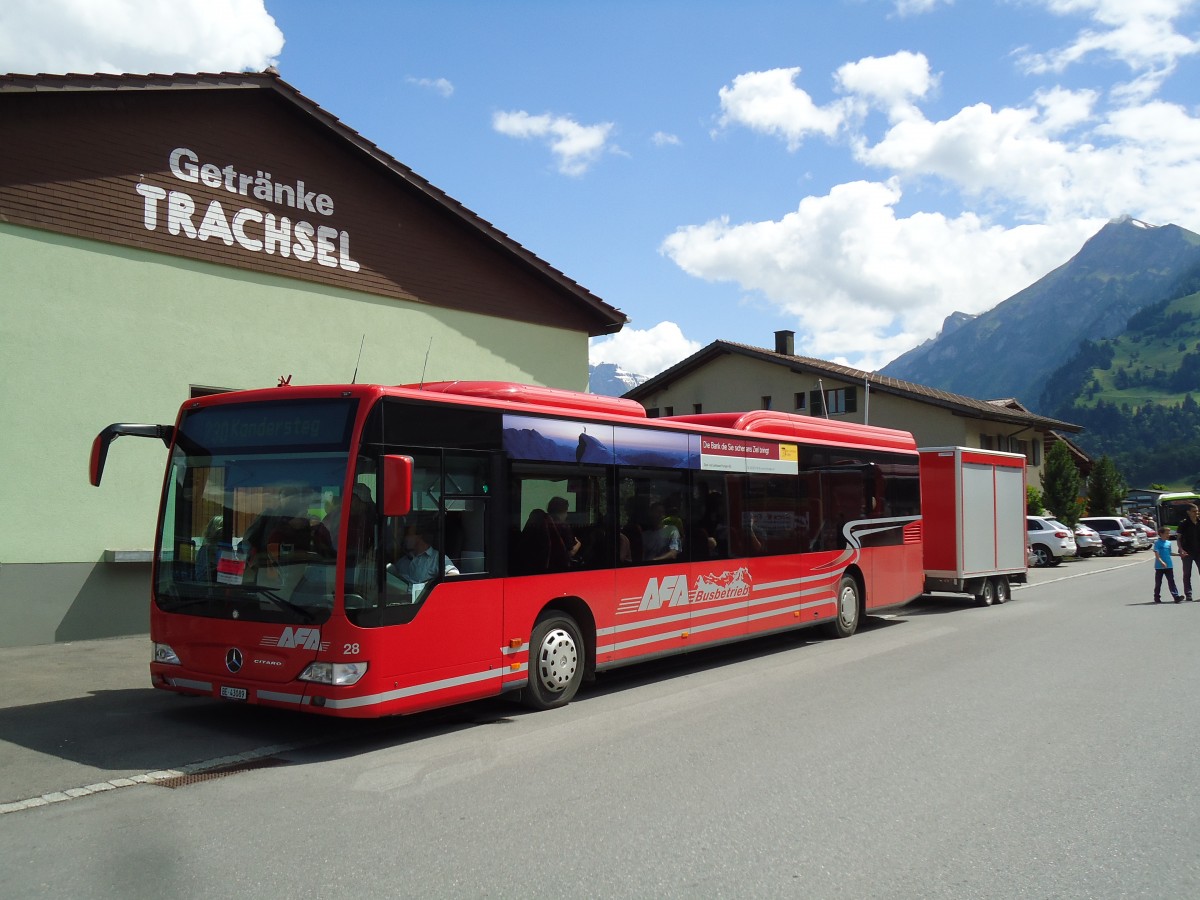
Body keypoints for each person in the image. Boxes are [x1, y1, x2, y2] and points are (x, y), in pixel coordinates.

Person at [387, 522, 459, 585]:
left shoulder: (436, 558)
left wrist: (429, 585)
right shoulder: (404, 560)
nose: (405, 539)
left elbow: (454, 574)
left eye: (408, 535)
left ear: (419, 537)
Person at [546, 496, 581, 568]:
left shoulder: (545, 523)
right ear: (561, 511)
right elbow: (569, 553)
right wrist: (578, 544)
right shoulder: (563, 527)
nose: (566, 515)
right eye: (566, 511)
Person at [1152, 526, 1183, 604]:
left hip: (1169, 565)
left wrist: (1179, 554)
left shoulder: (1168, 543)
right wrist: (1161, 562)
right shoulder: (1157, 543)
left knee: (1171, 581)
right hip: (1159, 566)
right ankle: (1157, 597)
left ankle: (1176, 597)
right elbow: (1156, 554)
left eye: (1168, 533)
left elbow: (1169, 553)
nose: (1168, 534)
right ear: (1161, 534)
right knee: (1158, 582)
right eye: (1166, 533)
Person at [1176, 503, 1200, 602]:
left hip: (1199, 552)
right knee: (1187, 574)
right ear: (1188, 512)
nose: (1196, 513)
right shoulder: (1183, 523)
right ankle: (1188, 594)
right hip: (1187, 552)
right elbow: (1178, 538)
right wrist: (1181, 549)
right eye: (1194, 511)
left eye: (1197, 511)